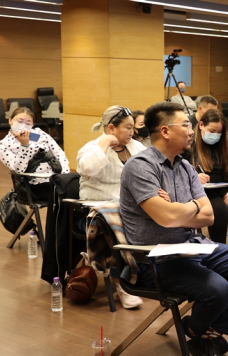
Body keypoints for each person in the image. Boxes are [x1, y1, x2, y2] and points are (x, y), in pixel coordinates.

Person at [120, 101, 228, 356]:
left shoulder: (185, 166)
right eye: (186, 125)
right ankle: (204, 332)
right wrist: (189, 206)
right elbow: (167, 218)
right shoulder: (140, 166)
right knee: (219, 288)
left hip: (193, 248)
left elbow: (209, 216)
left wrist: (177, 209)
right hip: (156, 260)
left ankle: (202, 330)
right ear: (165, 131)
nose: (192, 131)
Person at [77, 105, 147, 309]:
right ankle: (122, 285)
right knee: (116, 222)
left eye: (133, 127)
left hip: (129, 208)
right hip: (98, 211)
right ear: (111, 128)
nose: (132, 132)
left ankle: (145, 276)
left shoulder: (136, 147)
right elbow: (88, 168)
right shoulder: (91, 148)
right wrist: (105, 142)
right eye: (127, 127)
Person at [189, 109, 228, 245]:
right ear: (201, 125)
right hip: (201, 190)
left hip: (224, 187)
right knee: (219, 208)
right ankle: (220, 248)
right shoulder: (190, 143)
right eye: (212, 131)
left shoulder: (226, 142)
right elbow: (179, 170)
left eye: (219, 132)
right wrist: (195, 176)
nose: (215, 135)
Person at [0, 107, 70, 201]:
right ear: (10, 120)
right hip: (33, 185)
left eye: (28, 123)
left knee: (77, 186)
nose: (23, 125)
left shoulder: (40, 134)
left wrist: (65, 175)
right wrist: (24, 146)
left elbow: (59, 153)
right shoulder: (4, 145)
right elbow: (19, 170)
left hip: (57, 178)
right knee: (70, 192)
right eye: (20, 121)